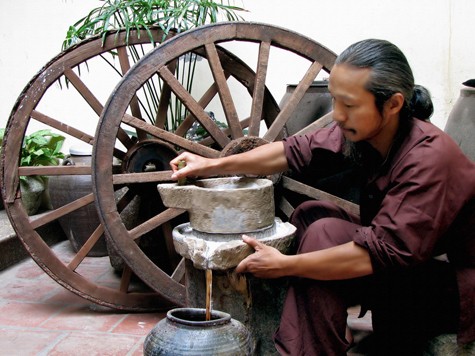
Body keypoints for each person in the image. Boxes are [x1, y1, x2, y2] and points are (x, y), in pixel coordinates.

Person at [170, 39, 475, 355]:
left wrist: (286, 265)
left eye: (350, 105)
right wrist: (211, 165)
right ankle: (317, 344)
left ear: (394, 104)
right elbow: (292, 152)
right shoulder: (369, 131)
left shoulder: (429, 159)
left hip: (448, 289)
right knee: (312, 216)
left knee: (321, 237)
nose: (338, 115)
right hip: (404, 272)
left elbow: (382, 253)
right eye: (335, 101)